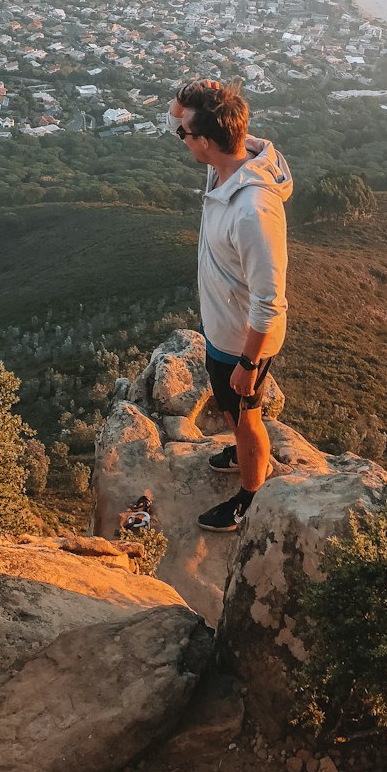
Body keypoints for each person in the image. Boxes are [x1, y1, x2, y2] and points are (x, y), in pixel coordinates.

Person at [167, 78, 293, 532]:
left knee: (245, 416)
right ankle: (242, 451)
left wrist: (249, 362)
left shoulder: (252, 209)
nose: (180, 137)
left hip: (244, 339)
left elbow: (269, 299)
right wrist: (186, 96)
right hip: (228, 329)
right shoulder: (227, 163)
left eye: (187, 135)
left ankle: (250, 496)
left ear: (206, 142)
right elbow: (176, 119)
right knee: (231, 410)